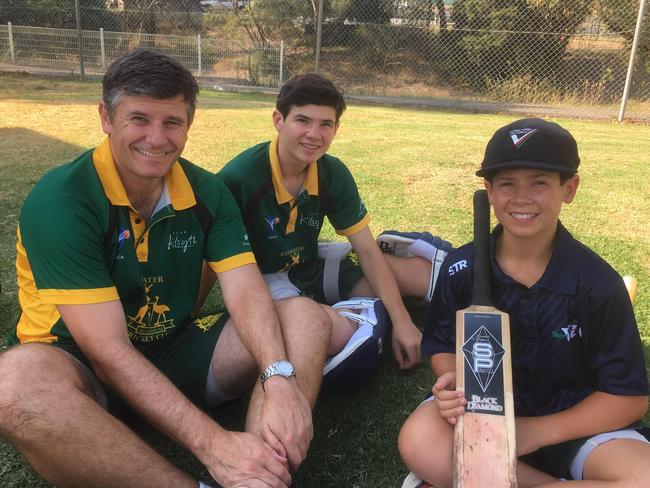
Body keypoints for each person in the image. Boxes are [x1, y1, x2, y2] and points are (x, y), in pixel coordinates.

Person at [0, 49, 331, 488]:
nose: (157, 138)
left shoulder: (207, 191)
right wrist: (214, 445)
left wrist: (279, 377)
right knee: (14, 383)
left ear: (188, 126)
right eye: (139, 119)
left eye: (172, 122)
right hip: (82, 370)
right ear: (105, 117)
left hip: (172, 351)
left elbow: (246, 290)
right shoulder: (63, 200)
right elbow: (108, 352)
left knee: (304, 316)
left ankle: (258, 478)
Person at [398, 118, 650, 487]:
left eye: (539, 183)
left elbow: (627, 398)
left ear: (569, 188)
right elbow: (441, 344)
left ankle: (480, 477)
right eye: (507, 184)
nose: (521, 198)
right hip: (482, 413)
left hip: (573, 422)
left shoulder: (597, 284)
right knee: (420, 440)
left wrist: (531, 432)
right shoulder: (460, 269)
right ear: (488, 190)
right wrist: (451, 379)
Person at [216, 73, 451, 375]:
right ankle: (362, 318)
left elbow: (366, 250)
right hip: (262, 282)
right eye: (303, 120)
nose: (314, 134)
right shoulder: (240, 177)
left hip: (309, 267)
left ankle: (394, 310)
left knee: (425, 273)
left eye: (325, 124)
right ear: (278, 120)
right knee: (339, 338)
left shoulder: (332, 172)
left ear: (336, 128)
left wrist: (403, 321)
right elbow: (215, 262)